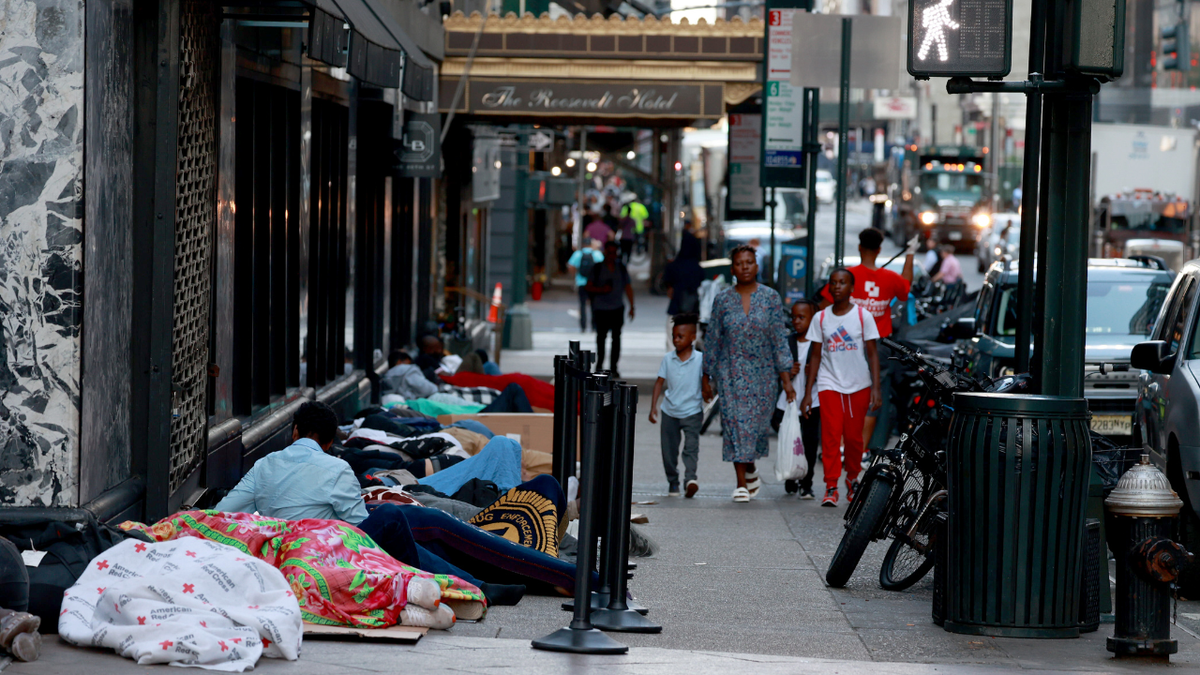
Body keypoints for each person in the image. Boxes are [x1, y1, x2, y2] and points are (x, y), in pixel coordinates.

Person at [701, 245, 794, 503]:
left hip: (764, 375)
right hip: (730, 372)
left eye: (749, 262)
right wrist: (705, 377)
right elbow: (713, 340)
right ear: (732, 269)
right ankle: (740, 483)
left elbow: (779, 338)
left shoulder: (771, 298)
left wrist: (786, 380)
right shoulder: (722, 300)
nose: (745, 267)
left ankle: (750, 467)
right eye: (740, 263)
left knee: (754, 428)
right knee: (734, 426)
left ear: (757, 266)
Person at [820, 228, 916, 453]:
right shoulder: (890, 278)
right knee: (873, 396)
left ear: (860, 247)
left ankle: (843, 446)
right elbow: (906, 287)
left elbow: (824, 307)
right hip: (879, 346)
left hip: (845, 345)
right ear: (880, 249)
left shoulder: (846, 278)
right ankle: (860, 450)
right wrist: (910, 254)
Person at [215, 401, 370, 524]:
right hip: (319, 553)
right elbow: (359, 524)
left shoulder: (264, 464)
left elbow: (224, 511)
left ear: (295, 430)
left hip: (277, 549)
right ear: (330, 442)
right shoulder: (339, 469)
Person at [804, 268, 882, 507]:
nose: (837, 286)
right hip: (829, 383)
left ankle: (852, 477)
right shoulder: (821, 318)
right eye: (833, 282)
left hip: (858, 384)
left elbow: (872, 353)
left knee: (853, 437)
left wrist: (876, 389)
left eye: (843, 282)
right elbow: (815, 355)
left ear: (852, 288)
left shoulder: (862, 316)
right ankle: (830, 484)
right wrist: (808, 392)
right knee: (829, 435)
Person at [649, 313, 704, 499]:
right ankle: (673, 481)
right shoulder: (668, 359)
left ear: (692, 338)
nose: (676, 340)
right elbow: (659, 383)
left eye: (680, 336)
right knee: (669, 451)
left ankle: (690, 479)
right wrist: (653, 407)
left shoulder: (700, 359)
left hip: (692, 411)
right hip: (670, 412)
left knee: (691, 447)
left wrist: (708, 390)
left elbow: (706, 382)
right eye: (674, 336)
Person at [771, 300, 822, 500]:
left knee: (809, 443)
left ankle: (806, 483)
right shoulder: (787, 341)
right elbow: (777, 367)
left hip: (812, 401)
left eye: (802, 317)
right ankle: (791, 475)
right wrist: (786, 372)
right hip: (788, 401)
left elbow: (827, 367)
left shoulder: (818, 342)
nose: (796, 321)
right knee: (790, 438)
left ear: (813, 319)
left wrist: (815, 372)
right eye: (793, 317)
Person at [585, 240, 634, 375]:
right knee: (601, 338)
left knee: (616, 339)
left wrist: (632, 306)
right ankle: (599, 365)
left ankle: (614, 367)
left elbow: (628, 287)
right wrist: (601, 290)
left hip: (617, 308)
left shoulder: (621, 268)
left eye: (614, 253)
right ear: (605, 252)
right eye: (609, 252)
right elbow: (588, 286)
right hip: (601, 309)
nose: (612, 255)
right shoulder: (597, 268)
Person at [662, 230, 705, 349]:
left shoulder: (673, 266)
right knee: (691, 344)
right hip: (692, 310)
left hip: (675, 308)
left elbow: (668, 288)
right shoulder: (697, 268)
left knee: (672, 343)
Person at [567, 239, 604, 332]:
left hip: (581, 283)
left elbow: (570, 266)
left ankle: (583, 326)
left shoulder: (578, 254)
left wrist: (574, 276)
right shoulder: (597, 254)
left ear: (583, 244)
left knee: (582, 305)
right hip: (594, 284)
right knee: (594, 305)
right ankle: (594, 326)